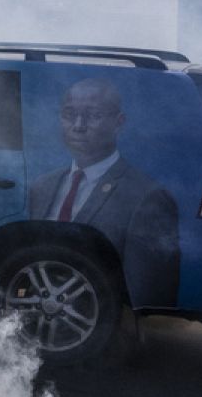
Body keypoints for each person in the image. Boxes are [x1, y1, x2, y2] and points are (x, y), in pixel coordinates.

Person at [27, 78, 181, 308]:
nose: (78, 125)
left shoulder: (146, 196)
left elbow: (148, 291)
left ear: (119, 123)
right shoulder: (42, 187)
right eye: (69, 114)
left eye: (93, 115)